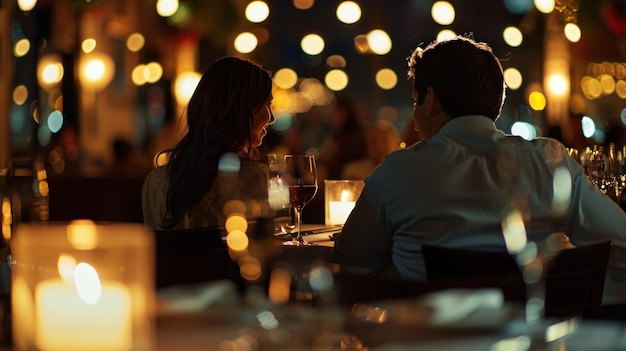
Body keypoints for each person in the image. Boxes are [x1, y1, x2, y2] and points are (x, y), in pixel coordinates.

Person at [332, 35, 626, 304]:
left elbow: (353, 266)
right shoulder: (550, 161)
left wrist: (405, 275)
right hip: (531, 338)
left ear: (430, 100)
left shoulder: (396, 172)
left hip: (427, 340)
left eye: (415, 100)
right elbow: (622, 244)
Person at [142, 56, 275, 230]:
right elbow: (258, 249)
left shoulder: (154, 183)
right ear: (241, 109)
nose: (271, 118)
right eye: (267, 104)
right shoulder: (254, 176)